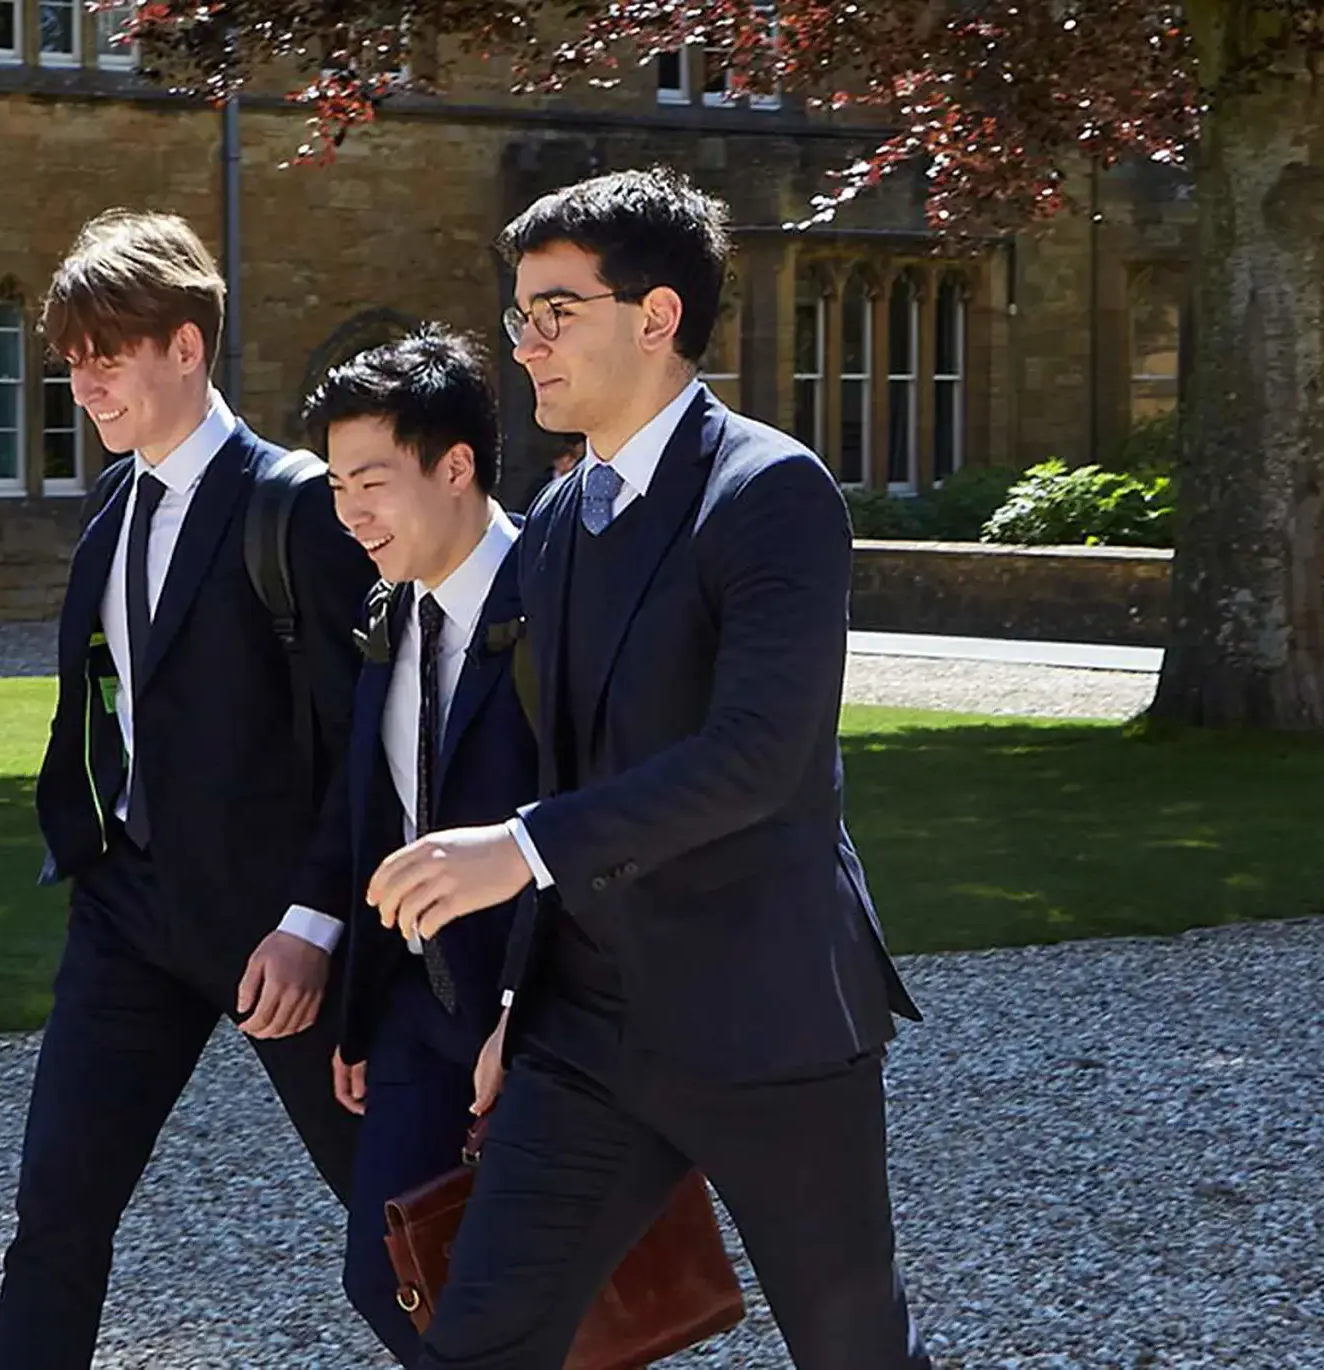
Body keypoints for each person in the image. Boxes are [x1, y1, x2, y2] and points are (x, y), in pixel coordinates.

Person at [365, 167, 933, 1370]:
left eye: (552, 312)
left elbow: (758, 759)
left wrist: (511, 854)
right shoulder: (564, 516)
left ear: (656, 315)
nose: (525, 345)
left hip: (766, 1017)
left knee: (853, 1351)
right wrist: (520, 1001)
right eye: (519, 315)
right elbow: (566, 760)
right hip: (588, 1032)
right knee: (477, 1338)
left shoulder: (771, 492)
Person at [0, 209, 376, 1369]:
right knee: (56, 1208)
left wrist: (316, 922)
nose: (84, 379)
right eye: (71, 355)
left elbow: (369, 737)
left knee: (399, 1210)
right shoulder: (111, 507)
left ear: (187, 346)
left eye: (107, 350)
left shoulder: (297, 505)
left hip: (278, 930)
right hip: (129, 915)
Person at [294, 326, 538, 1364]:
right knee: (383, 1273)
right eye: (338, 481)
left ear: (456, 467)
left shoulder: (555, 605)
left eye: (372, 480)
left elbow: (593, 822)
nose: (351, 511)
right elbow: (369, 807)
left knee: (525, 1294)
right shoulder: (387, 610)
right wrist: (348, 985)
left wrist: (526, 1012)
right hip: (412, 1015)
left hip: (536, 1020)